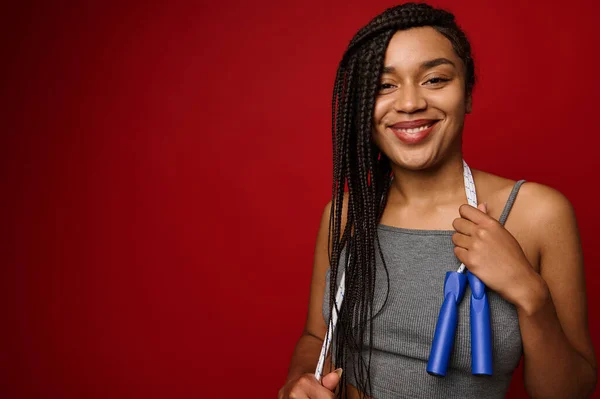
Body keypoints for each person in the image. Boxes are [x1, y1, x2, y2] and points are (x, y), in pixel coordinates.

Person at [278, 3, 597, 398]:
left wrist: (531, 296)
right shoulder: (346, 215)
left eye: (434, 79)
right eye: (384, 85)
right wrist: (297, 382)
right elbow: (316, 335)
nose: (410, 103)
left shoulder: (535, 214)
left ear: (467, 94)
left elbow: (570, 392)